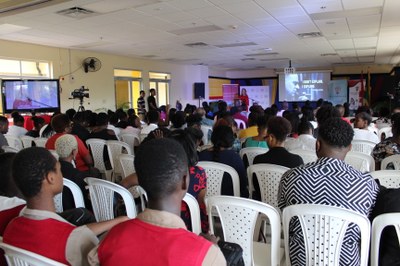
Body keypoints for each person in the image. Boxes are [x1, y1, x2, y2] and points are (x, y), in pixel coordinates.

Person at [88, 138, 226, 265]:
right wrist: (211, 247)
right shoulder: (207, 255)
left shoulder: (111, 237)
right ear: (184, 182)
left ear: (140, 182)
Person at [278, 117, 379, 266]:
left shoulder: (290, 177)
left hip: (300, 260)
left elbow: (284, 215)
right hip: (346, 261)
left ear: (317, 145)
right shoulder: (367, 185)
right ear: (350, 147)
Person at [3, 147, 128, 265]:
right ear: (51, 178)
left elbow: (74, 233)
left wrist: (118, 221)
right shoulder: (75, 242)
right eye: (59, 169)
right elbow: (75, 237)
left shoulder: (11, 226)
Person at [199, 125, 249, 198]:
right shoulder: (235, 158)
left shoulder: (201, 156)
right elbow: (243, 186)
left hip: (204, 202)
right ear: (231, 140)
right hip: (229, 204)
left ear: (213, 138)